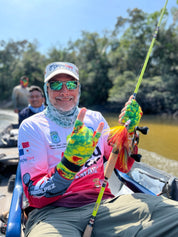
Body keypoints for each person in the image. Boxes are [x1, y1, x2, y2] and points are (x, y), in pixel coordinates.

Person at [18, 62, 178, 237]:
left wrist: (129, 133)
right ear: (46, 89)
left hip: (103, 205)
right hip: (53, 213)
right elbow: (35, 196)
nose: (64, 91)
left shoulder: (95, 119)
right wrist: (70, 163)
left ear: (78, 89)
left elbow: (122, 166)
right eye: (56, 84)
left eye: (71, 84)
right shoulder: (31, 126)